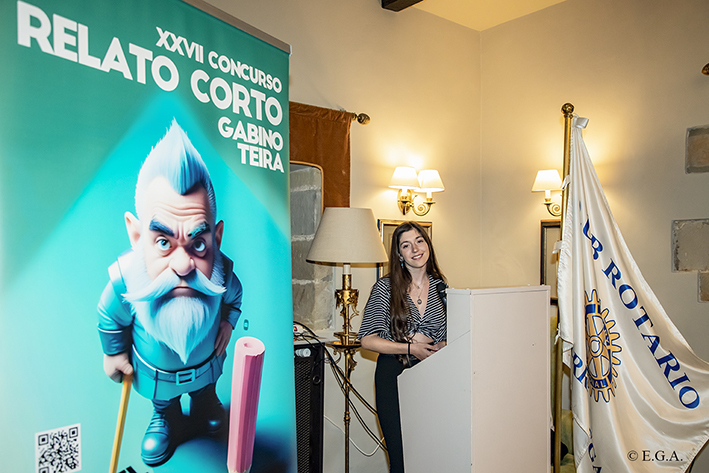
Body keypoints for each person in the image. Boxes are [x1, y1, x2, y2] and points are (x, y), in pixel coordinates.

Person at [97, 120, 243, 466]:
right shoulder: (126, 281)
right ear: (137, 238)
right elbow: (109, 316)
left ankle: (205, 401)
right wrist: (113, 353)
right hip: (157, 375)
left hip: (206, 366)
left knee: (205, 391)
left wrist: (228, 324)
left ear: (215, 239)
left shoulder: (222, 273)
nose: (182, 265)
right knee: (163, 400)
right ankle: (164, 414)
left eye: (198, 243)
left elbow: (234, 299)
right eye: (163, 242)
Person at [358, 221, 447, 473]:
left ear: (428, 244)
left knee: (429, 454)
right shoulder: (385, 288)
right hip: (394, 374)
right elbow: (367, 339)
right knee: (401, 457)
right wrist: (410, 349)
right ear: (399, 254)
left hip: (432, 376)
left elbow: (451, 332)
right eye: (406, 245)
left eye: (419, 241)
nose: (415, 249)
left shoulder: (441, 286)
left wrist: (443, 344)